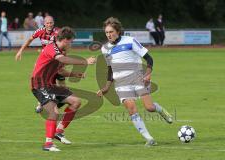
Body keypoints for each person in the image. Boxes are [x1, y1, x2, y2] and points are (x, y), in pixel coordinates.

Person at [97, 17, 172, 146]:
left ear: (118, 31)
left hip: (138, 77)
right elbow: (110, 69)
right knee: (131, 108)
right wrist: (106, 86)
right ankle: (149, 139)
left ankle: (159, 109)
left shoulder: (130, 41)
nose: (109, 35)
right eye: (107, 32)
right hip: (121, 83)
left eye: (111, 32)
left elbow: (149, 59)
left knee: (149, 108)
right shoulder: (105, 49)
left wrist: (148, 74)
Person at [30, 26, 96, 151]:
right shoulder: (52, 48)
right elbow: (62, 59)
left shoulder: (60, 52)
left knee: (76, 101)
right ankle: (48, 144)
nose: (71, 45)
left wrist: (74, 74)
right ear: (65, 40)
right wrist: (85, 62)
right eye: (70, 42)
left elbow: (59, 71)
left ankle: (58, 131)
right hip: (38, 84)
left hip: (49, 85)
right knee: (53, 111)